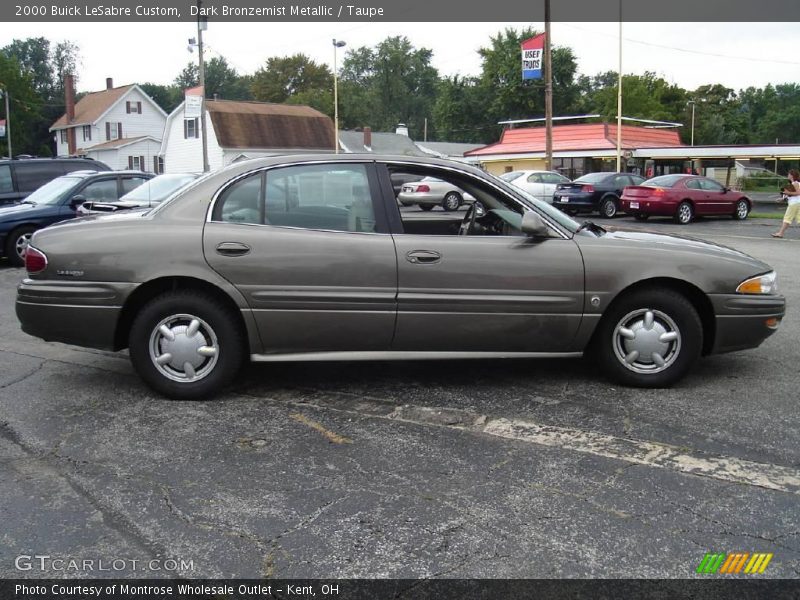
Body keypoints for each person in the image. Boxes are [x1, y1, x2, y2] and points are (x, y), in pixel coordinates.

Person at [772, 169, 800, 238]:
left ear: (792, 175)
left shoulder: (795, 183)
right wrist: (782, 198)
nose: (788, 175)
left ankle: (780, 233)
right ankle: (780, 233)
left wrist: (787, 192)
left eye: (789, 174)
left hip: (794, 204)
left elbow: (798, 193)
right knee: (799, 219)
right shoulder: (794, 183)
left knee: (787, 219)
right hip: (797, 203)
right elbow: (790, 195)